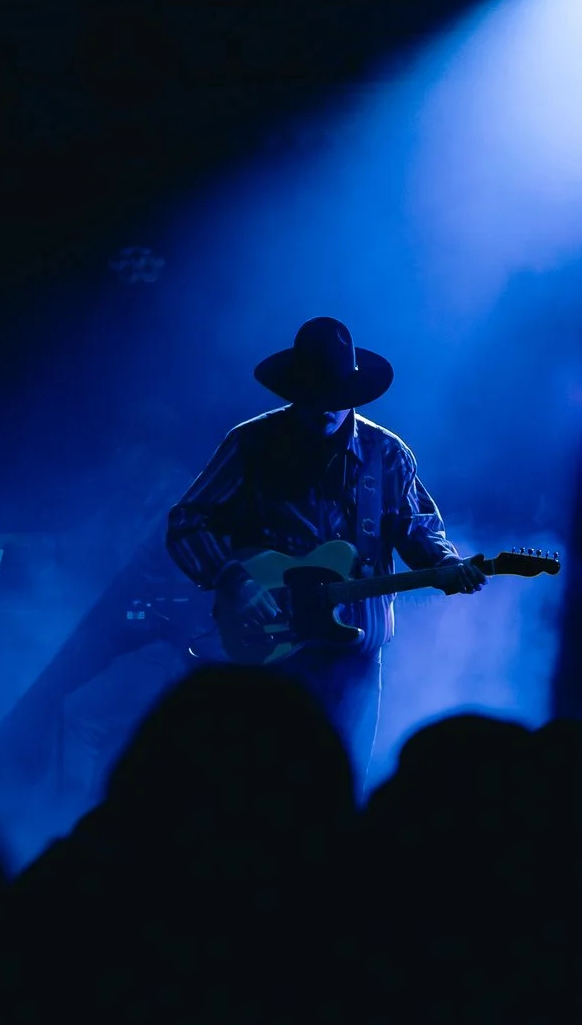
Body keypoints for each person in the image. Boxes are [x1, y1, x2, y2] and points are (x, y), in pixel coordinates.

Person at [166, 317, 483, 768]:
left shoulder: (385, 454)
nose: (325, 410)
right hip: (269, 659)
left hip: (355, 662)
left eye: (336, 398)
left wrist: (449, 564)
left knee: (343, 792)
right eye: (314, 397)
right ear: (294, 390)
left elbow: (419, 530)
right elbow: (187, 522)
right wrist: (235, 579)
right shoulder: (252, 443)